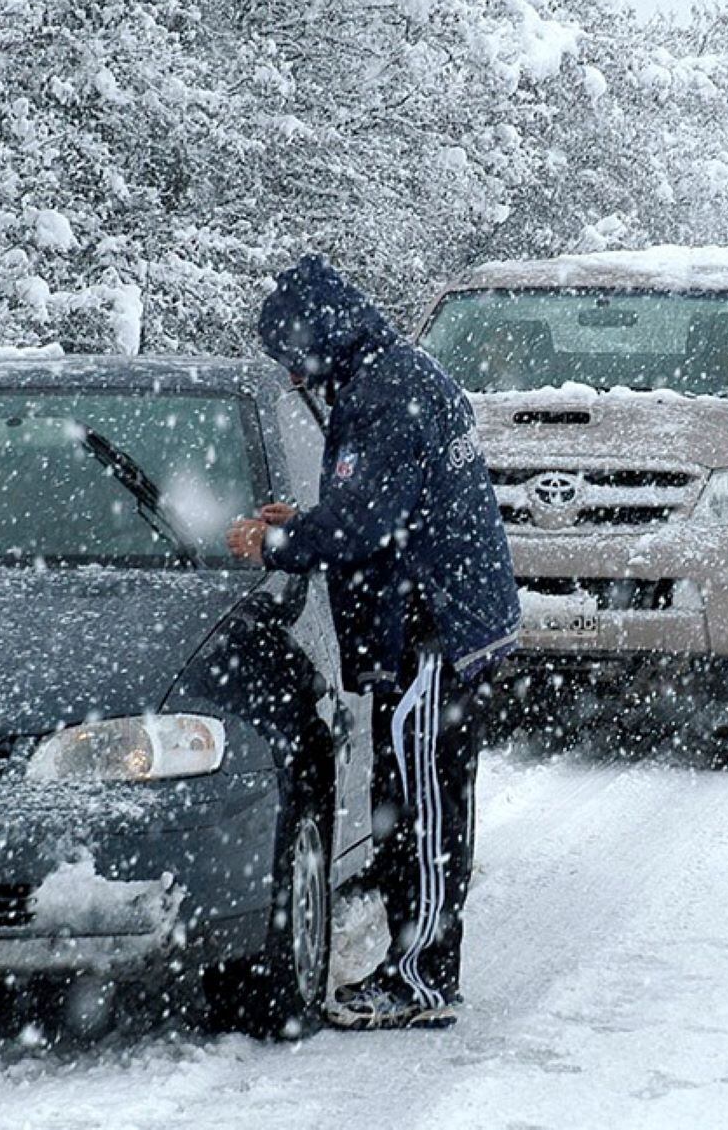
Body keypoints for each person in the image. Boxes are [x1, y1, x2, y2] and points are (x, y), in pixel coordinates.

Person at [226, 255, 521, 1030]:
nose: (293, 375)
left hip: (432, 632)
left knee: (424, 811)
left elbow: (368, 521)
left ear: (316, 336)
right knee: (418, 802)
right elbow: (381, 500)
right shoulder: (394, 373)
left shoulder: (385, 392)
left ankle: (422, 979)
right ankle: (414, 963)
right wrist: (309, 519)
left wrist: (277, 543)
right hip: (439, 621)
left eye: (292, 356)